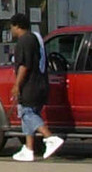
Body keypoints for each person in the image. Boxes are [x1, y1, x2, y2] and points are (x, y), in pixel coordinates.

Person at [8, 13, 62, 161]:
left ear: (17, 26)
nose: (11, 30)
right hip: (40, 83)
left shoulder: (24, 41)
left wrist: (17, 85)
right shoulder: (36, 38)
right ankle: (28, 149)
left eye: (12, 27)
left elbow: (24, 65)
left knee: (27, 114)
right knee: (30, 116)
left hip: (30, 85)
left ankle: (50, 138)